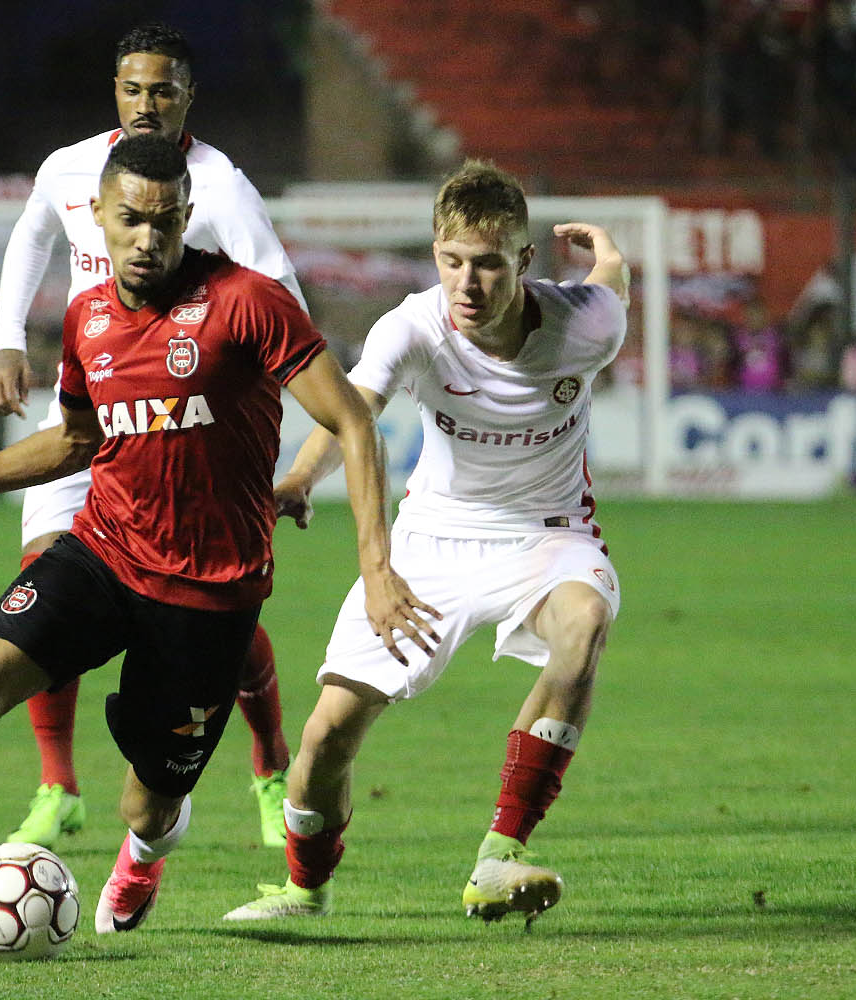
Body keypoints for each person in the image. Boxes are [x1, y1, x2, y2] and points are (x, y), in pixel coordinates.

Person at [0, 134, 438, 956]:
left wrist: (375, 569)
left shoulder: (248, 303)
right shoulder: (86, 317)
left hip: (208, 595)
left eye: (165, 221)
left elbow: (353, 420)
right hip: (105, 553)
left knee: (146, 807)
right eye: (129, 220)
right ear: (96, 219)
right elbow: (78, 441)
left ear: (187, 216)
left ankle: (145, 854)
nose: (147, 238)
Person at [222, 161, 628, 928]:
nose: (468, 283)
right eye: (452, 262)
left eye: (488, 264)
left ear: (524, 263)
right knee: (328, 735)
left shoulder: (585, 325)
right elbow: (350, 413)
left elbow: (613, 285)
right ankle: (306, 889)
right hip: (433, 542)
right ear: (436, 255)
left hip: (549, 536)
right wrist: (302, 479)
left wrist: (609, 251)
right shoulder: (412, 327)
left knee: (584, 624)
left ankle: (499, 852)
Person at [0, 22, 306, 850]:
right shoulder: (69, 168)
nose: (146, 105)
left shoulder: (219, 185)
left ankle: (269, 766)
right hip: (89, 408)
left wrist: (244, 419)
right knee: (43, 579)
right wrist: (7, 339)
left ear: (188, 96)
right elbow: (30, 235)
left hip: (180, 428)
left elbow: (279, 297)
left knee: (210, 615)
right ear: (114, 92)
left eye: (163, 90)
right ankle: (59, 787)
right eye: (133, 89)